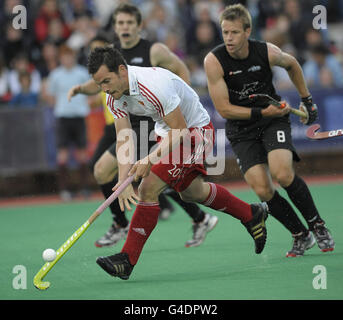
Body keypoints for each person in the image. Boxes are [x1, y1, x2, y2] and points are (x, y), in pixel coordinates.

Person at [87, 46, 269, 280]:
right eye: (99, 84)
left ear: (122, 70)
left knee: (148, 187)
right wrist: (122, 180)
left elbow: (181, 130)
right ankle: (251, 214)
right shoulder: (114, 94)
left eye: (106, 81)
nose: (104, 89)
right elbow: (124, 138)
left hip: (195, 132)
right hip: (168, 132)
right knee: (192, 193)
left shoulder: (151, 86)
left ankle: (127, 259)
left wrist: (149, 159)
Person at [68, 3, 218, 248]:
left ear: (139, 26)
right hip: (125, 120)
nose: (124, 27)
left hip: (153, 123)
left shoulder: (154, 50)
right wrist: (81, 90)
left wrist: (181, 99)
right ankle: (196, 217)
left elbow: (179, 69)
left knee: (143, 176)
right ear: (115, 27)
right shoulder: (110, 55)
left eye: (129, 23)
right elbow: (96, 83)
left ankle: (123, 224)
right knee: (121, 173)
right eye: (120, 23)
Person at [204, 4, 334, 257]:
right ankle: (300, 235)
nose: (228, 38)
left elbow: (293, 64)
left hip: (273, 121)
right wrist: (263, 112)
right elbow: (224, 109)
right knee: (262, 189)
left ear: (247, 31)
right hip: (242, 127)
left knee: (283, 173)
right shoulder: (214, 61)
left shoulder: (265, 51)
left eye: (234, 32)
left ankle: (317, 224)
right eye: (225, 32)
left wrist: (307, 100)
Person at [44, 44, 91, 201]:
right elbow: (49, 96)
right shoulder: (56, 75)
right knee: (62, 155)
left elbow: (91, 91)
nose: (67, 59)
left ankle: (84, 188)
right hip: (63, 118)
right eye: (64, 56)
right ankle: (64, 190)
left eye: (70, 56)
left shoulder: (82, 73)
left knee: (82, 155)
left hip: (79, 117)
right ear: (60, 58)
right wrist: (62, 106)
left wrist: (83, 104)